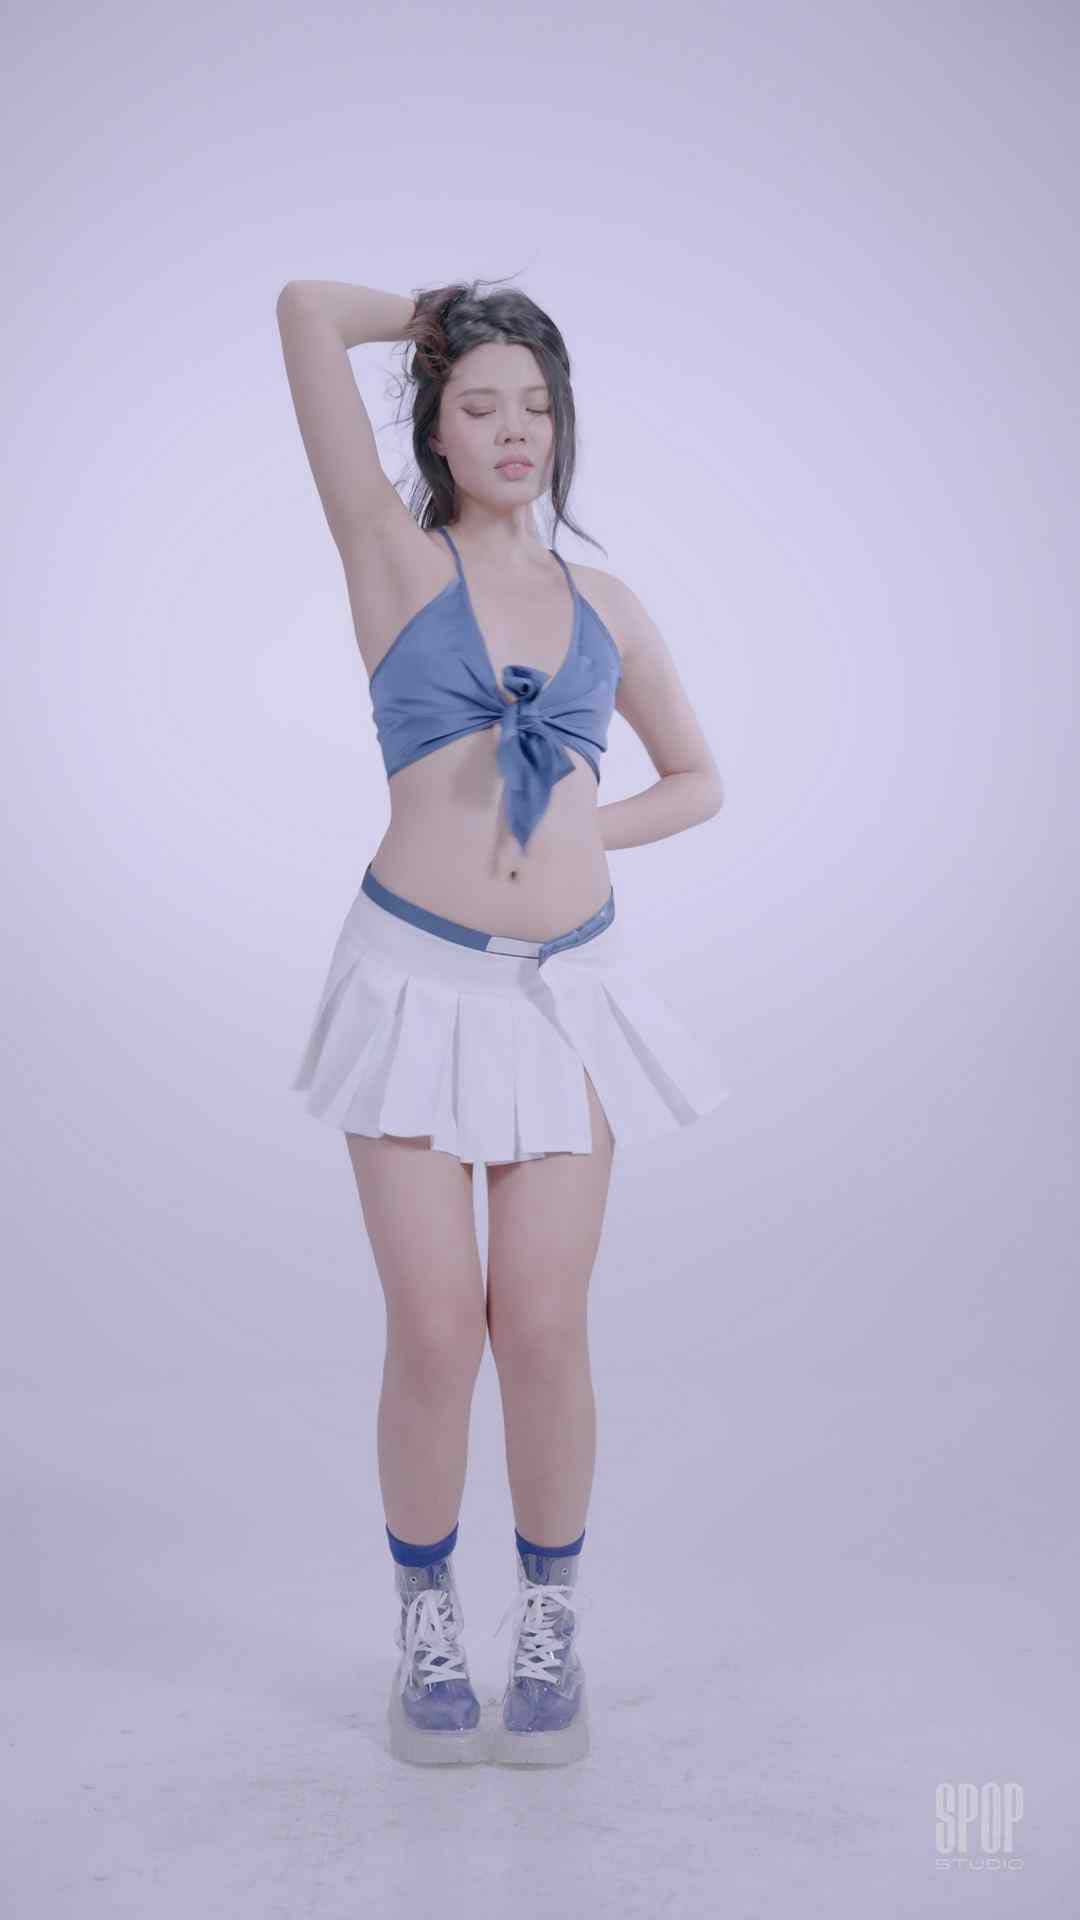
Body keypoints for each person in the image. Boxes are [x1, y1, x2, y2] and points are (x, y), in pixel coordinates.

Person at [275, 274, 729, 1767]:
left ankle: (549, 1621)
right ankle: (426, 1621)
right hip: (413, 984)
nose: (514, 429)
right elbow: (302, 311)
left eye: (536, 403)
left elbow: (697, 780)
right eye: (480, 404)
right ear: (438, 426)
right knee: (434, 1330)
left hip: (565, 995)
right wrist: (445, 313)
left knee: (539, 1326)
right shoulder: (392, 559)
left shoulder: (609, 604)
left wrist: (593, 830)